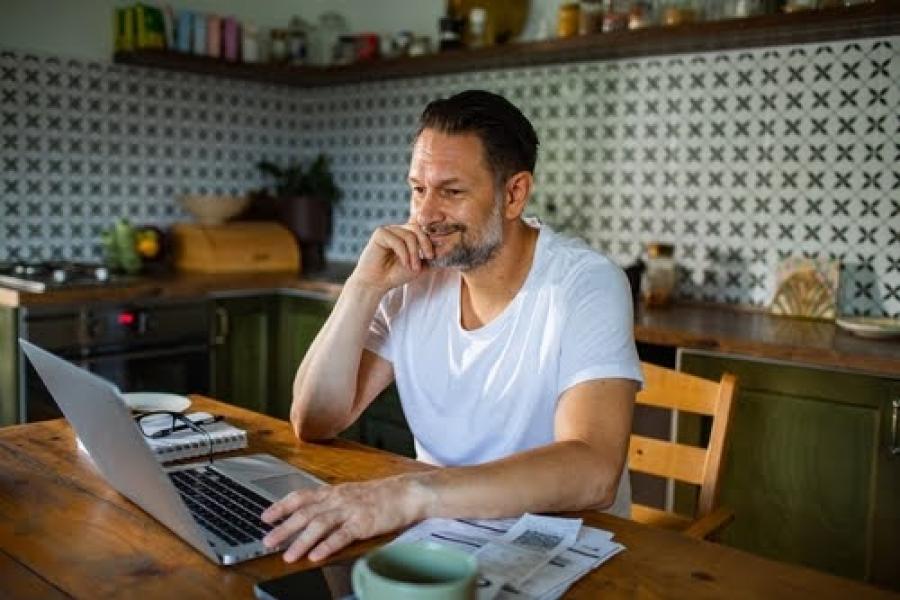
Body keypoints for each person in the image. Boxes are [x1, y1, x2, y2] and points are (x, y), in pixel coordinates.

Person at [262, 90, 642, 563]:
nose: (425, 215)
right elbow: (314, 420)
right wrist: (362, 288)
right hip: (443, 539)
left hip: (566, 550)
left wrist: (409, 494)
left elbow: (594, 469)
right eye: (418, 189)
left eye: (452, 191)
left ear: (514, 194)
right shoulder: (410, 278)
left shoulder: (585, 283)